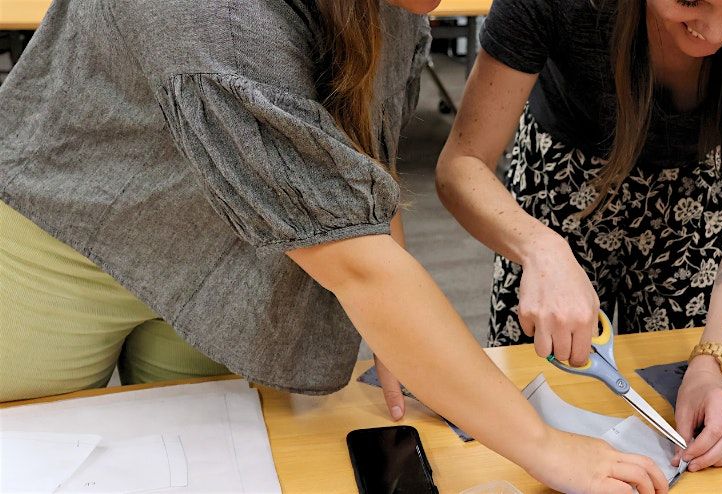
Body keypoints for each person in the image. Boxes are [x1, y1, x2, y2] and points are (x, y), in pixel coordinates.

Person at [0, 0, 669, 491]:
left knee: (210, 466)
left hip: (232, 251)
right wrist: (545, 449)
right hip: (63, 238)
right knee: (29, 456)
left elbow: (358, 157)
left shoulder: (397, 7)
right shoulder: (208, 20)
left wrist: (399, 335)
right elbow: (358, 265)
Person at [436, 0, 722, 472]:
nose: (711, 35)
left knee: (676, 399)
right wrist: (540, 248)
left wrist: (713, 368)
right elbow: (461, 164)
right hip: (562, 182)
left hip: (698, 196)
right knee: (529, 405)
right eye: (690, 0)